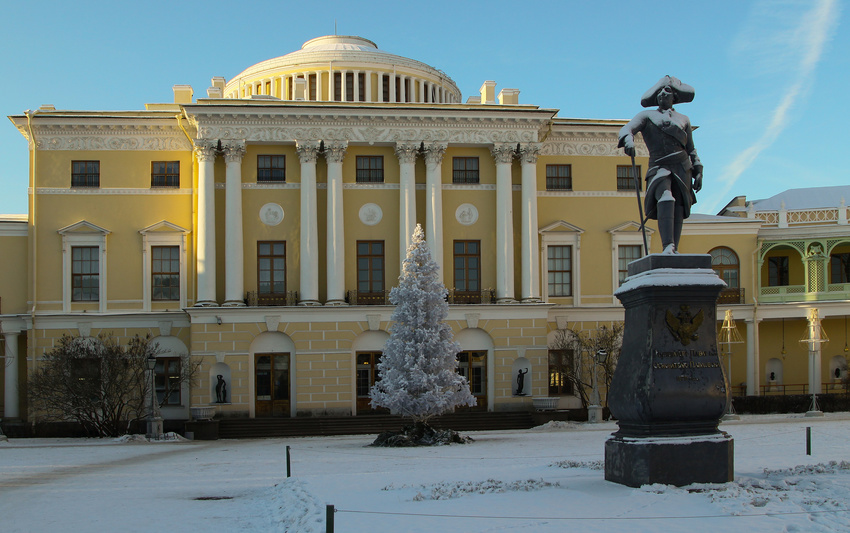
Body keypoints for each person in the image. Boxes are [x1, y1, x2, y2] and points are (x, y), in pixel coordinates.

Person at [618, 75, 703, 254]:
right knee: (666, 197)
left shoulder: (684, 119)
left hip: (682, 166)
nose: (663, 94)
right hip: (659, 165)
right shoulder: (647, 116)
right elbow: (627, 128)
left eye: (668, 91)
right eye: (660, 91)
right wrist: (628, 140)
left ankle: (674, 249)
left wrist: (698, 170)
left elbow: (691, 148)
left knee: (679, 206)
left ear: (675, 98)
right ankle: (668, 246)